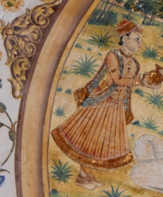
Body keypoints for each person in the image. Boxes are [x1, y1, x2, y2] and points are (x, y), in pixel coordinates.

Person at [52, 18, 145, 185]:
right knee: (91, 140)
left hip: (116, 106)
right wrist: (140, 81)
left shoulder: (135, 63)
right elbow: (117, 79)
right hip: (101, 102)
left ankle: (88, 176)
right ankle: (82, 177)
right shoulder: (113, 56)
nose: (140, 43)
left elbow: (128, 87)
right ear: (125, 39)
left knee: (102, 143)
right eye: (136, 39)